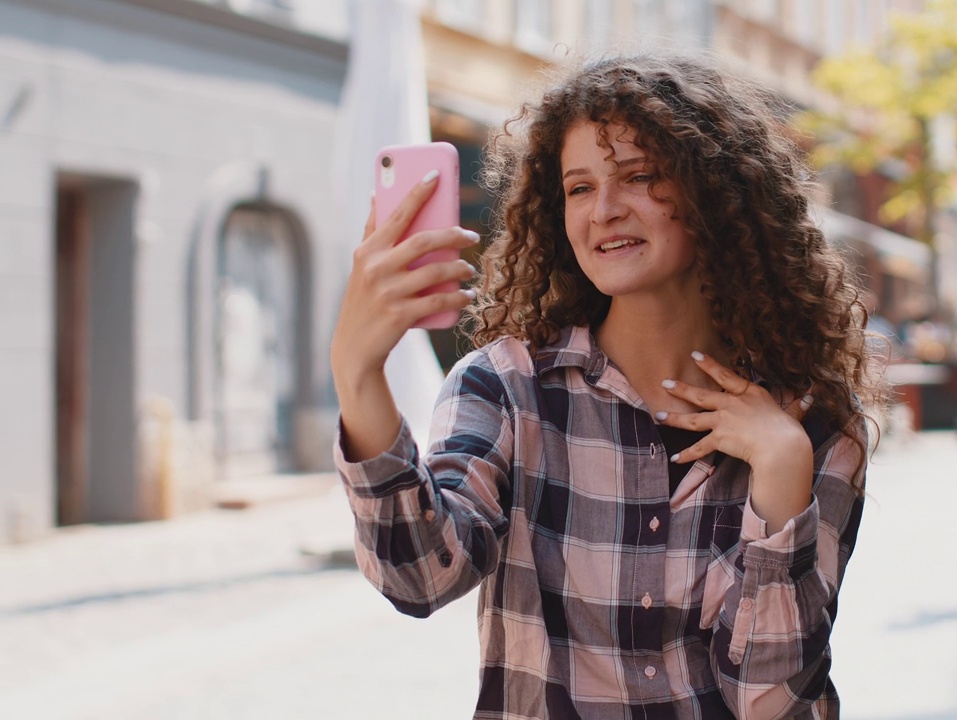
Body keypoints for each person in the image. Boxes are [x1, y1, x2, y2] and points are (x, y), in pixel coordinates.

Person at [329, 54, 876, 718]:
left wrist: (783, 475)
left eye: (640, 177)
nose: (605, 211)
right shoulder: (508, 386)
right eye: (580, 188)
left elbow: (770, 700)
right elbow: (419, 576)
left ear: (718, 195)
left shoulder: (814, 424)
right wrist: (358, 375)